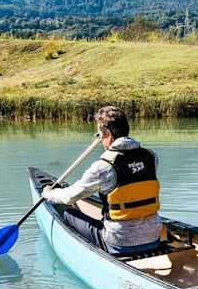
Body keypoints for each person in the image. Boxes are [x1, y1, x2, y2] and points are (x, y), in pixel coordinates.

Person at [41, 106, 163, 255]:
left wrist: (49, 193)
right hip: (154, 237)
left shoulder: (104, 166)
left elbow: (70, 197)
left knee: (68, 214)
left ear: (107, 134)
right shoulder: (151, 157)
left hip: (119, 242)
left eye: (99, 133)